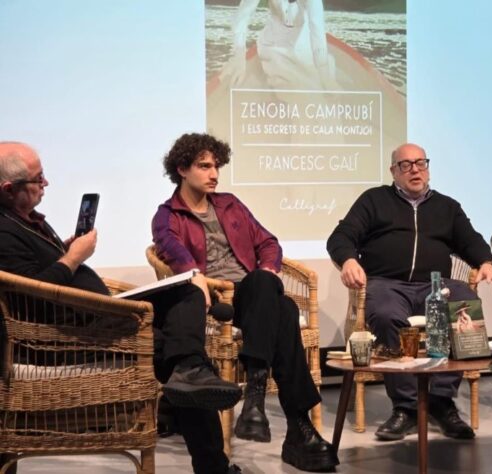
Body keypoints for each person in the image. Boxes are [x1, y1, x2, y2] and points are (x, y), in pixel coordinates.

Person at [0, 141, 242, 474]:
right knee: (175, 352)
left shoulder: (26, 218)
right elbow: (30, 298)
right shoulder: (4, 229)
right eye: (38, 179)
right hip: (68, 332)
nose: (46, 183)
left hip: (97, 314)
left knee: (186, 292)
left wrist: (65, 253)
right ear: (8, 189)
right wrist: (73, 258)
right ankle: (212, 457)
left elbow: (42, 273)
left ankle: (191, 371)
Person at [151, 132, 338, 473]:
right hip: (215, 301)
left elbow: (268, 242)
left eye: (216, 166)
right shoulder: (169, 215)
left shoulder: (229, 204)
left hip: (253, 293)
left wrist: (267, 269)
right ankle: (295, 426)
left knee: (265, 285)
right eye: (204, 166)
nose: (214, 174)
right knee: (285, 311)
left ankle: (256, 397)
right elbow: (170, 248)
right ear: (182, 169)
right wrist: (195, 274)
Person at [326, 142, 492, 441]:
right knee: (385, 315)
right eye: (405, 165)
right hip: (387, 284)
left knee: (465, 304)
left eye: (421, 163)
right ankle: (405, 408)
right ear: (393, 171)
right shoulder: (374, 200)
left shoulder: (447, 207)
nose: (415, 170)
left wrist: (486, 261)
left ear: (428, 169)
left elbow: (470, 240)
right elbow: (340, 237)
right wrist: (349, 260)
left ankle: (441, 402)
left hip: (435, 284)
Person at [220, 0, 338, 90]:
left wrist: (325, 77)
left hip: (305, 46)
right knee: (290, 83)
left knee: (315, 85)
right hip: (273, 45)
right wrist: (239, 57)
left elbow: (316, 28)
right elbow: (241, 17)